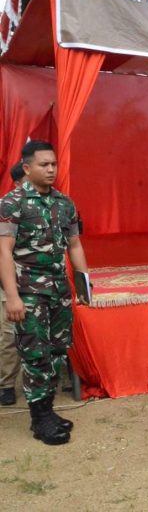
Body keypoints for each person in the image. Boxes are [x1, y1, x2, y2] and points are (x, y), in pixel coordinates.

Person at [0, 141, 90, 445]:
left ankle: (47, 411)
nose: (51, 169)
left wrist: (83, 286)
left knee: (56, 350)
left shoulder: (64, 203)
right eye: (43, 165)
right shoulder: (11, 203)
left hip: (58, 291)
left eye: (53, 164)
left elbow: (75, 245)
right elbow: (3, 251)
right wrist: (12, 297)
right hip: (28, 293)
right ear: (27, 168)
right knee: (34, 354)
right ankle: (40, 419)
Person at [0, 162, 26, 406]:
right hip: (10, 281)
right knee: (9, 334)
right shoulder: (6, 206)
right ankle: (7, 384)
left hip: (39, 281)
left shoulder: (50, 203)